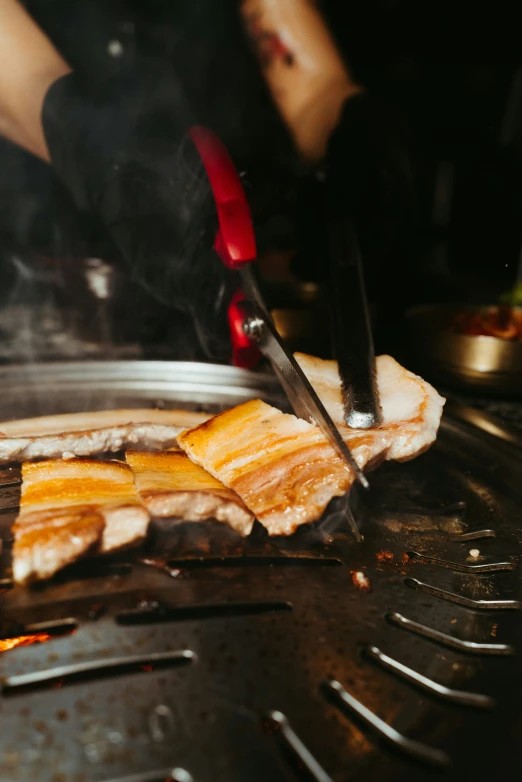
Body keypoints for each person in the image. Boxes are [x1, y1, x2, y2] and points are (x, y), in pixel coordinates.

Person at [0, 0, 413, 360]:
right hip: (63, 290)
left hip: (232, 268)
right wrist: (86, 141)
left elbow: (308, 84)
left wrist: (349, 129)